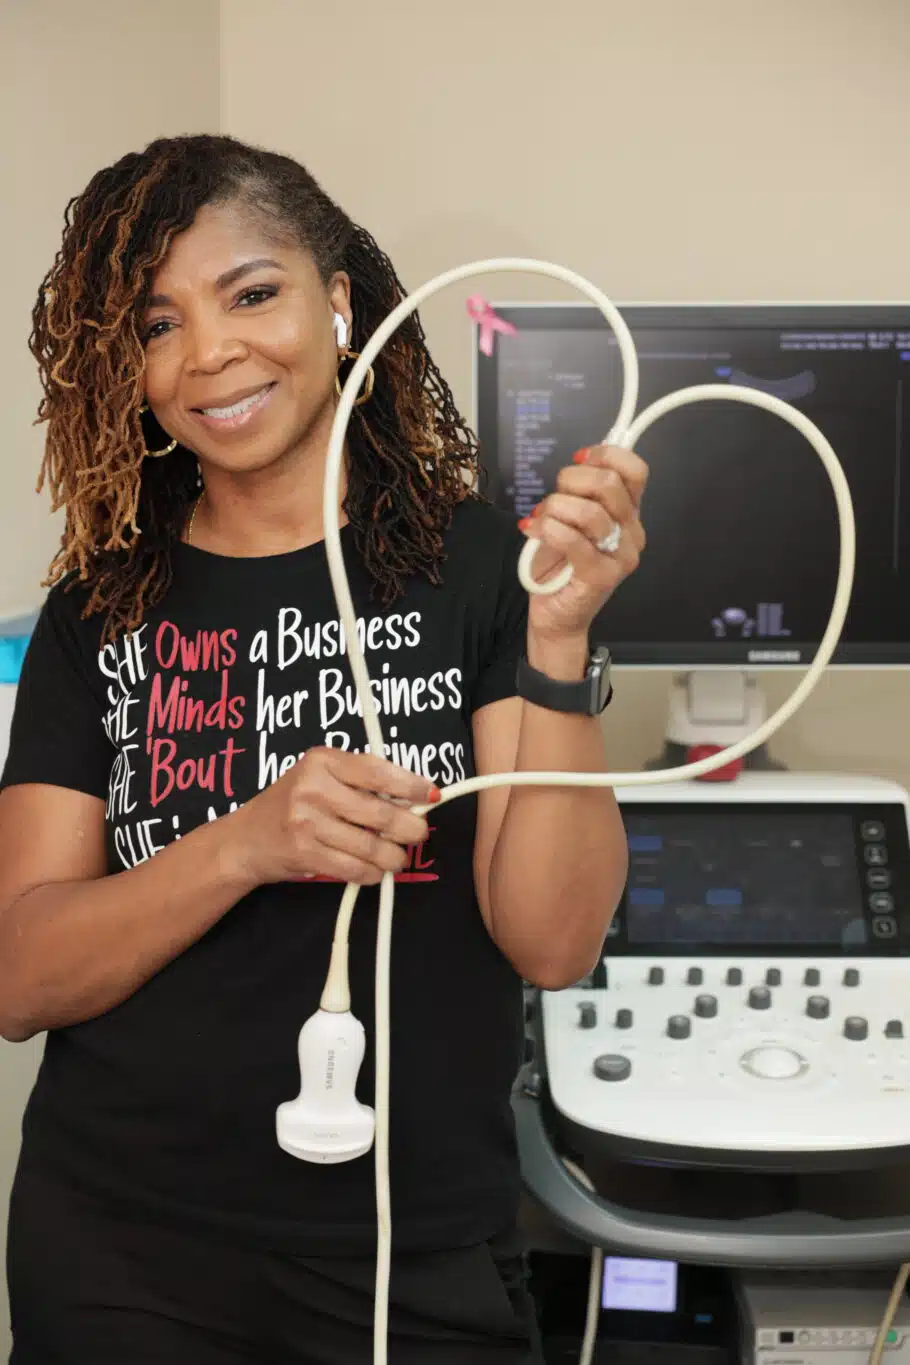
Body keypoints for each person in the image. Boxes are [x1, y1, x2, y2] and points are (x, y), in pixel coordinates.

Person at [0, 133, 647, 1365]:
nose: (210, 352)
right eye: (158, 324)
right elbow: (17, 978)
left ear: (339, 303)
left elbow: (553, 945)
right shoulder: (100, 610)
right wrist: (245, 844)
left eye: (251, 294)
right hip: (120, 1255)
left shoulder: (480, 572)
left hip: (414, 1253)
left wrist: (558, 642)